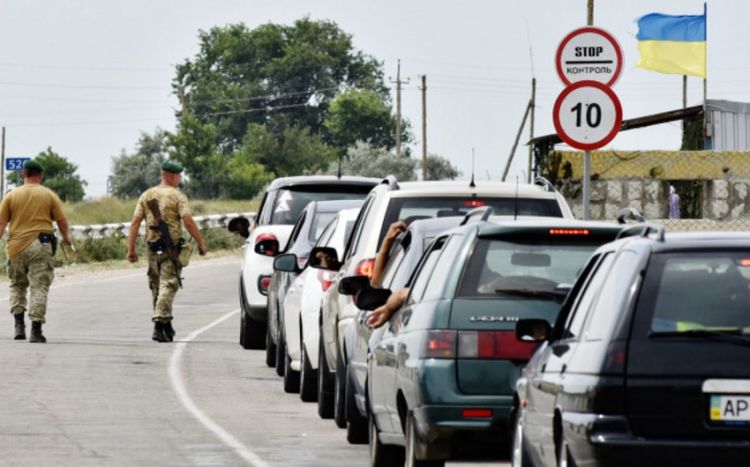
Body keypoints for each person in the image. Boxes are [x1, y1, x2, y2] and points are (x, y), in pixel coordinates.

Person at [126, 161, 208, 342]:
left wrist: (131, 249)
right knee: (168, 285)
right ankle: (159, 324)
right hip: (171, 248)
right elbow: (187, 221)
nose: (179, 179)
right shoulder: (177, 196)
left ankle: (166, 326)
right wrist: (201, 243)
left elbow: (135, 223)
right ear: (171, 176)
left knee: (156, 285)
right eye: (178, 176)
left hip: (152, 247)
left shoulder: (147, 194)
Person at [0, 159, 71, 343]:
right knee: (39, 286)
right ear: (40, 176)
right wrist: (67, 239)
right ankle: (36, 330)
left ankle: (18, 326)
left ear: (24, 174)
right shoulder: (49, 195)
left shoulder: (11, 195)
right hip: (41, 245)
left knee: (17, 285)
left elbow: (1, 223)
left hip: (16, 247)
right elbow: (62, 221)